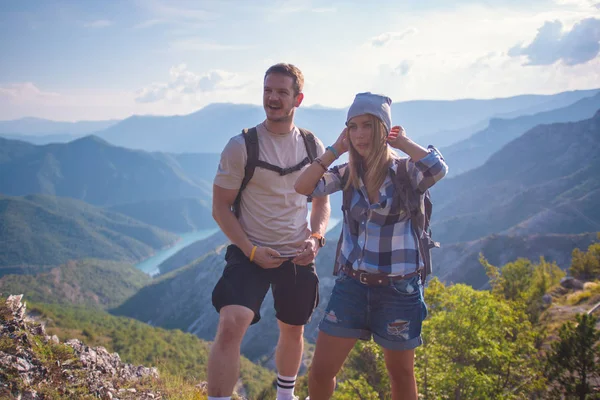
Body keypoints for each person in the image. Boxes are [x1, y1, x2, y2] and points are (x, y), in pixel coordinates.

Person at [294, 92, 448, 400]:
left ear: (382, 129)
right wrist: (335, 149)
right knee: (321, 372)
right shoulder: (349, 173)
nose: (360, 134)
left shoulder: (406, 172)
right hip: (352, 286)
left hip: (398, 291)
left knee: (401, 375)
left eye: (368, 125)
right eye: (353, 126)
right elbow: (303, 186)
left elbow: (437, 169)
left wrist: (402, 143)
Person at [208, 63, 331, 400]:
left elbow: (321, 203)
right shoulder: (242, 146)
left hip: (297, 252)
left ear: (298, 99)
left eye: (281, 92)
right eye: (267, 90)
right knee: (231, 324)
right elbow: (221, 208)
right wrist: (250, 251)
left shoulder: (311, 146)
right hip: (250, 250)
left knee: (293, 329)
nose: (272, 98)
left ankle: (285, 396)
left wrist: (316, 239)